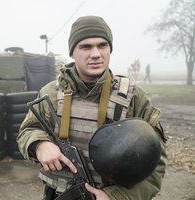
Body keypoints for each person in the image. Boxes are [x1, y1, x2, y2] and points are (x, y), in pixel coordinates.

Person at [17, 16, 167, 200]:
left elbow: (155, 162)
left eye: (102, 45)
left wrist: (118, 196)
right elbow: (27, 130)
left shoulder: (134, 98)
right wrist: (39, 144)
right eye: (85, 46)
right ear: (72, 52)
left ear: (110, 49)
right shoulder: (51, 94)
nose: (95, 54)